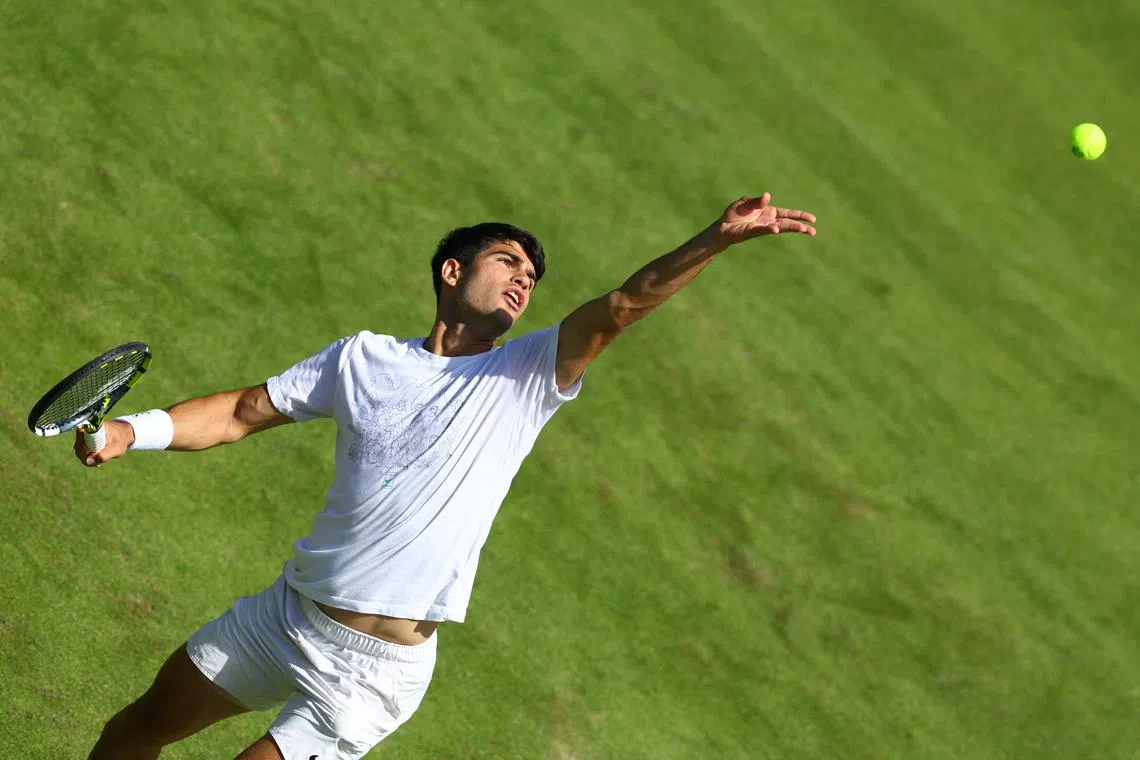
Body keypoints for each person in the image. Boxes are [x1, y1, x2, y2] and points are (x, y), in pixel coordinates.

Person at [80, 194, 816, 759]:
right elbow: (240, 412)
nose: (525, 281)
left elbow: (623, 306)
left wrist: (715, 239)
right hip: (286, 617)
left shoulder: (527, 373)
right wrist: (127, 431)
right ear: (452, 271)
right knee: (134, 731)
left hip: (372, 675)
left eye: (533, 277)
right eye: (509, 264)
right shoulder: (362, 359)